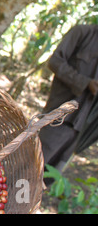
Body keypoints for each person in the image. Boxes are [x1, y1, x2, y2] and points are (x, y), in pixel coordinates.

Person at [39, 24, 98, 175]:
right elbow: (55, 61)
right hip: (58, 119)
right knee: (29, 167)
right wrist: (84, 83)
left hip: (81, 132)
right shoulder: (84, 33)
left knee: (49, 178)